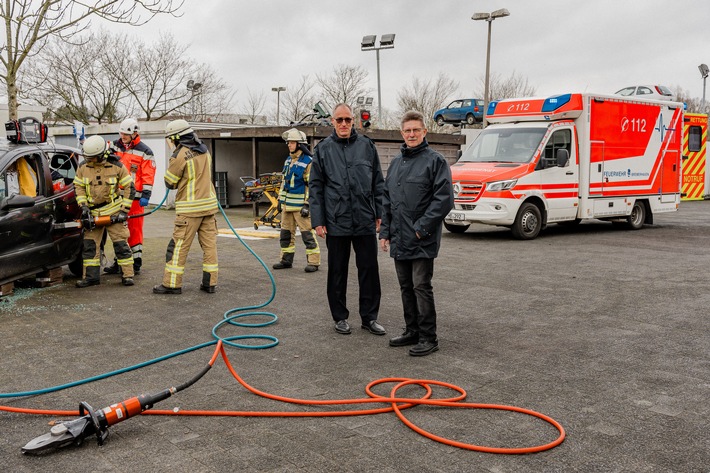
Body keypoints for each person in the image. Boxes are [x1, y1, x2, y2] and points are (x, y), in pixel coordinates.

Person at [379, 110, 454, 356]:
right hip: (400, 237)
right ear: (402, 133)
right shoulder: (396, 163)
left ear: (424, 132)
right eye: (407, 131)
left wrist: (421, 229)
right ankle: (412, 330)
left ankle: (428, 337)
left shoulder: (436, 161)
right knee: (405, 286)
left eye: (416, 130)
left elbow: (443, 200)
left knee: (421, 286)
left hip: (422, 238)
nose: (411, 134)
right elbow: (387, 200)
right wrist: (385, 232)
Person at [309, 103, 385, 336]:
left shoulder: (366, 146)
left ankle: (369, 318)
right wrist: (318, 220)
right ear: (332, 121)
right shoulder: (323, 150)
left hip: (364, 219)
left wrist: (380, 213)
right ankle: (340, 317)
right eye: (339, 120)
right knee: (337, 271)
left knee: (369, 270)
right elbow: (316, 187)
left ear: (354, 121)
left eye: (348, 120)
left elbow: (378, 183)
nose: (344, 124)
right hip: (336, 221)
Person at [153, 119, 219, 295]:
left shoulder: (179, 155)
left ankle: (172, 284)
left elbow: (170, 183)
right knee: (209, 246)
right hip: (209, 207)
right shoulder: (204, 150)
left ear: (176, 137)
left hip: (189, 211)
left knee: (178, 247)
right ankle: (209, 283)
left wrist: (172, 159)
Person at [73, 135, 135, 288]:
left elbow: (129, 188)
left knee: (121, 245)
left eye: (93, 158)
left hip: (114, 211)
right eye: (88, 158)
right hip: (93, 213)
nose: (90, 161)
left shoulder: (117, 166)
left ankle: (127, 275)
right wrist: (84, 207)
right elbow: (78, 188)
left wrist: (124, 211)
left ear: (101, 155)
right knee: (90, 247)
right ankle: (91, 277)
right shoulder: (83, 167)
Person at [104, 118, 156, 275]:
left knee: (134, 230)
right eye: (121, 133)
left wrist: (146, 195)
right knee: (118, 230)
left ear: (135, 133)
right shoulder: (114, 146)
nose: (123, 136)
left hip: (135, 198)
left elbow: (148, 175)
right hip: (116, 197)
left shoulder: (145, 152)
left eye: (126, 134)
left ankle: (136, 262)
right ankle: (119, 262)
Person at [273, 128, 320, 273]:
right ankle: (286, 260)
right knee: (286, 235)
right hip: (287, 206)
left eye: (292, 142)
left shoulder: (308, 162)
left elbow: (312, 186)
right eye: (288, 142)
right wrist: (280, 200)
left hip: (301, 207)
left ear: (300, 144)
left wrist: (307, 204)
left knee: (308, 235)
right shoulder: (288, 160)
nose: (289, 145)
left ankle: (314, 262)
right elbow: (284, 181)